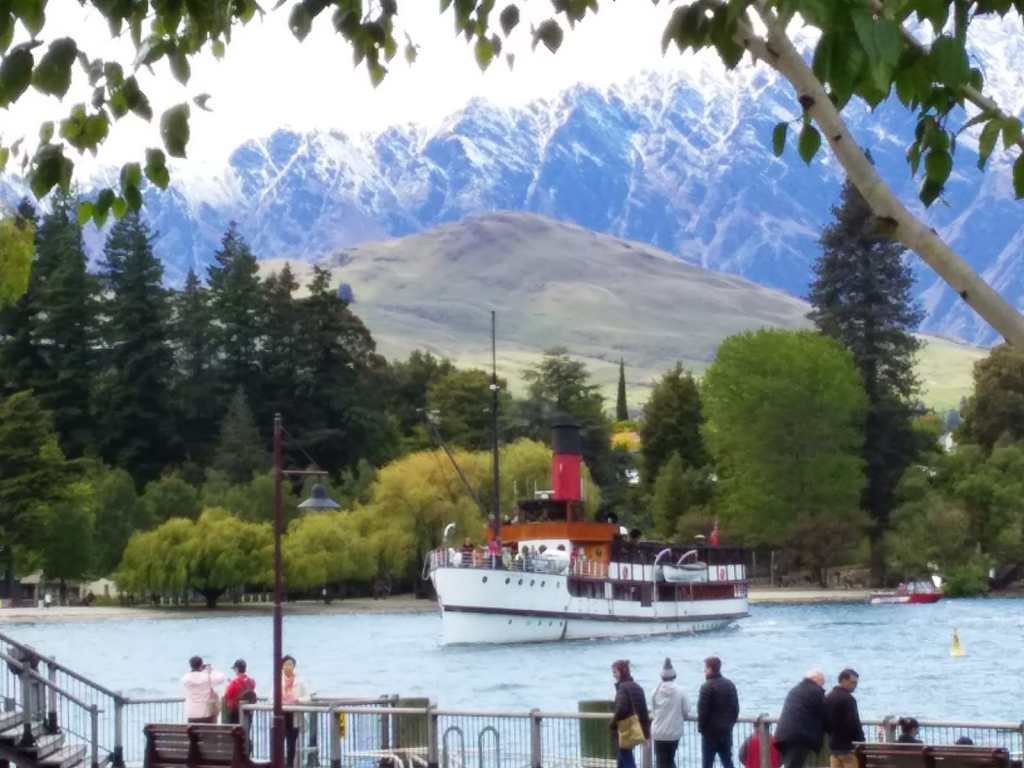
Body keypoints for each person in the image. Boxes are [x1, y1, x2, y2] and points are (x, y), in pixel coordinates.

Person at [774, 670, 827, 768]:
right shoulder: (816, 691)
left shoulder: (795, 690)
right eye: (822, 683)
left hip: (783, 734)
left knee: (790, 764)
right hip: (800, 736)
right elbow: (824, 713)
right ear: (816, 679)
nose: (822, 687)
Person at [697, 656, 739, 768]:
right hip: (726, 731)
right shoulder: (729, 684)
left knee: (707, 763)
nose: (704, 670)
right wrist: (730, 724)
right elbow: (735, 709)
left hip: (710, 733)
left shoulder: (706, 687)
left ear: (710, 669)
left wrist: (701, 728)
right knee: (727, 762)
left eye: (705, 668)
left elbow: (702, 711)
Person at [611, 660, 651, 768]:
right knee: (622, 758)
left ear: (622, 672)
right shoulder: (637, 687)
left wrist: (613, 724)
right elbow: (643, 711)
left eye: (615, 672)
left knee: (626, 758)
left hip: (625, 730)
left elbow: (621, 709)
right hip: (635, 728)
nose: (613, 675)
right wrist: (646, 734)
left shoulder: (622, 688)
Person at [651, 658, 689, 768]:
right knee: (669, 759)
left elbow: (653, 711)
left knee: (661, 761)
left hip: (658, 732)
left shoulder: (655, 691)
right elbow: (686, 710)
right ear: (674, 676)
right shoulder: (681, 691)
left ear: (661, 677)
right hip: (674, 732)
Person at [823, 669, 864, 768]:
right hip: (847, 747)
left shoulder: (828, 697)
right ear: (843, 681)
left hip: (833, 746)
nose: (855, 686)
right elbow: (853, 722)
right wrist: (861, 740)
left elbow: (824, 720)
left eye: (856, 683)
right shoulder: (849, 699)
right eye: (852, 682)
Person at [282, 655, 311, 768]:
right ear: (282, 666)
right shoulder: (278, 680)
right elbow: (271, 698)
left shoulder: (300, 681)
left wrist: (298, 700)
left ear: (294, 666)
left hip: (294, 715)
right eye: (285, 664)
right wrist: (280, 702)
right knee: (278, 744)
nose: (288, 667)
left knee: (291, 745)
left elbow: (308, 697)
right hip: (281, 715)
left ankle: (290, 765)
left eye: (290, 664)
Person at [182, 656, 225, 724]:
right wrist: (211, 670)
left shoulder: (186, 678)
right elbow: (221, 678)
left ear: (190, 665)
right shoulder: (207, 677)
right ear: (201, 665)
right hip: (205, 713)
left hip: (191, 714)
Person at [222, 659, 257, 725]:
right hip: (248, 711)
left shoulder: (234, 682)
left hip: (236, 713)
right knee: (246, 729)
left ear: (237, 669)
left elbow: (227, 695)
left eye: (234, 669)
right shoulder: (252, 681)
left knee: (235, 730)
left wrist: (230, 684)